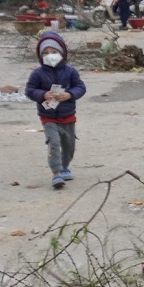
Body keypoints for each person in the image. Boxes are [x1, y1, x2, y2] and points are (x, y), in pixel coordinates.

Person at [24, 31, 87, 189]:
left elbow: (80, 87)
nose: (49, 55)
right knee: (54, 142)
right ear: (40, 56)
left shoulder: (71, 71)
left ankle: (65, 166)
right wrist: (43, 94)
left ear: (62, 52)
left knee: (68, 145)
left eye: (53, 52)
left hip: (68, 115)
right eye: (45, 53)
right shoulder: (37, 74)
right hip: (48, 116)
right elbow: (30, 91)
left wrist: (69, 94)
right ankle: (56, 173)